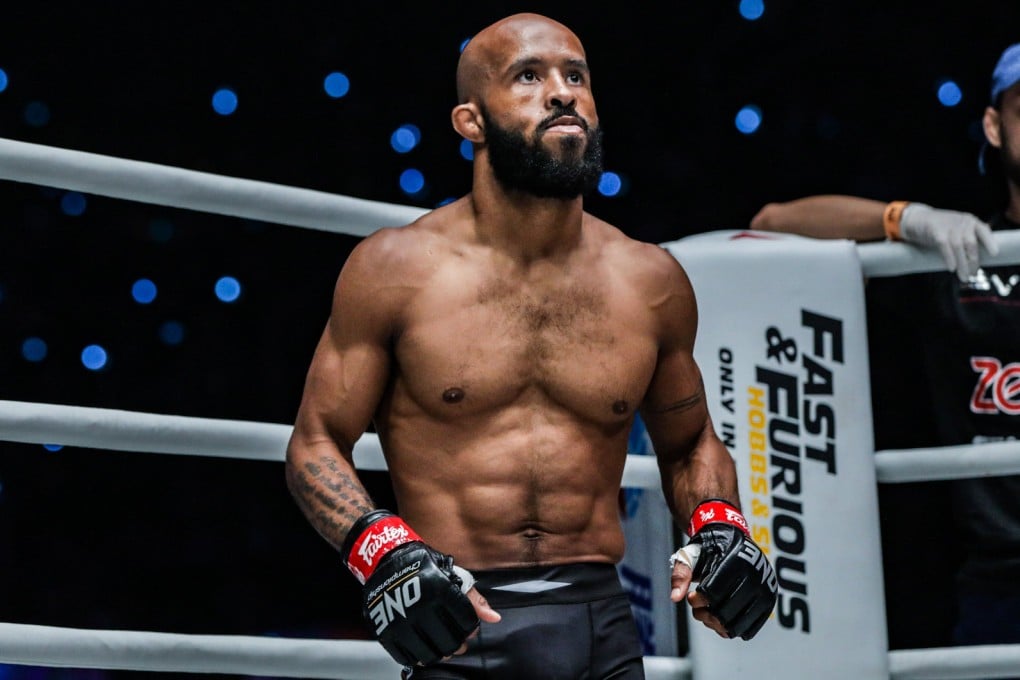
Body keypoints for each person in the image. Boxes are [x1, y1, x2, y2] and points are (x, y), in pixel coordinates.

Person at [284, 12, 777, 679]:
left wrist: (720, 525)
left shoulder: (649, 281)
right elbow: (315, 443)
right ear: (470, 121)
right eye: (528, 76)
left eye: (576, 75)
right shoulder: (394, 271)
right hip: (461, 623)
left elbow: (690, 441)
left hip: (603, 626)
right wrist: (382, 551)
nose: (562, 91)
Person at [751, 43, 1020, 650]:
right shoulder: (964, 255)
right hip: (997, 578)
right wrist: (906, 220)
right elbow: (773, 223)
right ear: (994, 127)